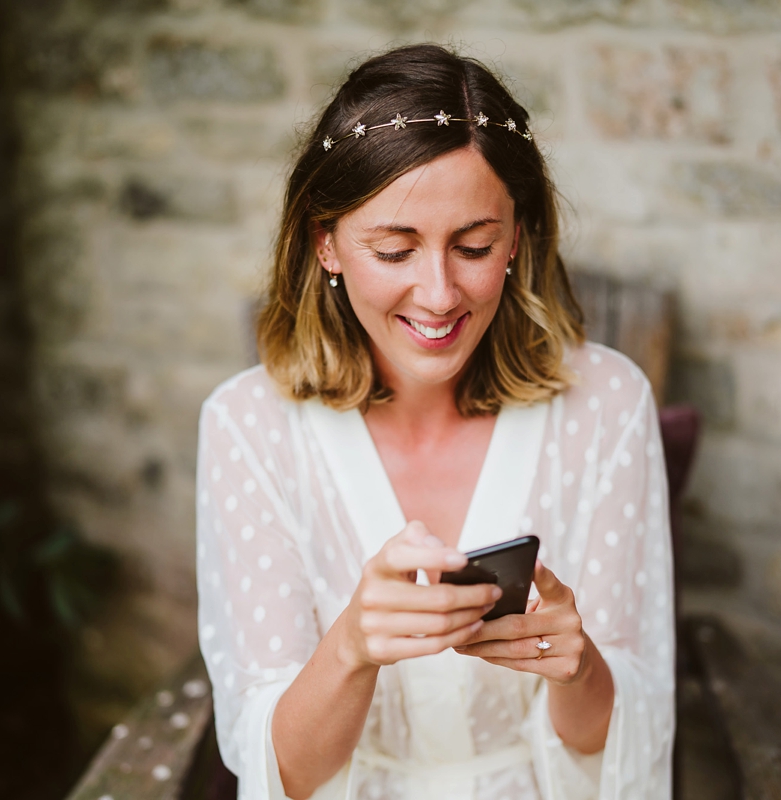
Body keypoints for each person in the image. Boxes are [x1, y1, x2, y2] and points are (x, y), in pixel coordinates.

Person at [196, 43, 674, 800]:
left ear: (516, 237)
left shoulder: (608, 404)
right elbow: (282, 770)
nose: (439, 293)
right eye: (394, 250)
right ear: (326, 243)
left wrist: (577, 663)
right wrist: (351, 646)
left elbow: (610, 744)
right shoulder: (248, 429)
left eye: (474, 246)